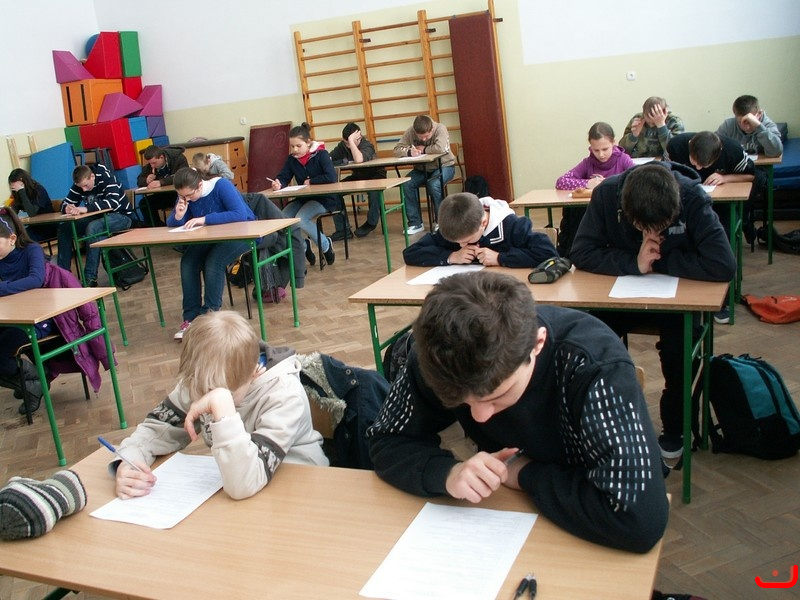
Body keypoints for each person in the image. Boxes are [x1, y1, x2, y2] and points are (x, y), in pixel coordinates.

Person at [367, 271, 669, 553]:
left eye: (498, 396)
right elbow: (385, 439)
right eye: (461, 401)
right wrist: (447, 473)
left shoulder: (592, 366)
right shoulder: (439, 355)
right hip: (506, 522)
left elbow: (638, 519)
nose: (480, 417)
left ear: (538, 344)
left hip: (582, 527)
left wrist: (523, 473)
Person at [570, 162, 736, 458]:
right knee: (590, 340)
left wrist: (659, 263)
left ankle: (675, 426)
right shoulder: (607, 195)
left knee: (679, 349)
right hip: (621, 298)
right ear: (626, 212)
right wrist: (634, 263)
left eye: (660, 228)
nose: (652, 234)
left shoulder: (692, 197)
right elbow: (582, 252)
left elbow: (723, 264)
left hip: (676, 300)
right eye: (642, 228)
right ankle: (603, 419)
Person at [110, 310, 328, 501]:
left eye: (220, 395)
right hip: (244, 489)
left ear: (253, 373)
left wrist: (224, 409)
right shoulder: (203, 379)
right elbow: (157, 430)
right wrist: (129, 461)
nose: (207, 398)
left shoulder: (284, 395)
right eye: (202, 391)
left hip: (301, 489)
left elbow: (245, 483)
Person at [166, 167, 256, 341]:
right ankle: (190, 318)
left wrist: (205, 219)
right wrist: (178, 215)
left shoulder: (221, 185)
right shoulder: (186, 194)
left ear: (200, 185)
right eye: (182, 196)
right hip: (211, 237)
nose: (186, 199)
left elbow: (240, 214)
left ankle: (209, 317)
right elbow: (174, 222)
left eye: (189, 195)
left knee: (214, 261)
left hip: (243, 233)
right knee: (188, 262)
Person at [667, 130, 763, 276]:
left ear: (719, 153)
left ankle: (718, 268)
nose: (698, 168)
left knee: (722, 230)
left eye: (704, 165)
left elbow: (753, 175)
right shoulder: (675, 146)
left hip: (721, 203)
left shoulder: (733, 150)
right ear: (689, 145)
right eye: (694, 162)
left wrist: (726, 178)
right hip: (686, 201)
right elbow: (664, 175)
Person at [402, 192, 556, 267]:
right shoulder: (455, 227)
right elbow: (411, 253)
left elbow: (548, 254)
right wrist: (451, 256)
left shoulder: (513, 226)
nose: (462, 245)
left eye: (467, 241)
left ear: (483, 223)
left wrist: (500, 258)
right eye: (458, 243)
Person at [0, 207, 53, 413]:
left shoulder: (32, 250)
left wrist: (3, 288)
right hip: (10, 317)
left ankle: (31, 386)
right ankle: (36, 379)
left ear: (12, 239)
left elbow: (35, 280)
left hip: (37, 319)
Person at [555, 122, 636, 256]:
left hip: (616, 213)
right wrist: (587, 183)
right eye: (596, 150)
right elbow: (561, 181)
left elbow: (636, 180)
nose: (601, 154)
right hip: (593, 214)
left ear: (614, 143)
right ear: (590, 147)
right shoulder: (588, 163)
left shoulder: (623, 160)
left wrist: (609, 184)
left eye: (605, 149)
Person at [56, 164, 133, 287]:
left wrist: (86, 209)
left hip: (121, 216)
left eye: (86, 186)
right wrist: (67, 208)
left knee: (93, 228)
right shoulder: (80, 183)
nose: (84, 190)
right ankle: (62, 276)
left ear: (92, 176)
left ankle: (90, 278)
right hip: (98, 217)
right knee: (65, 228)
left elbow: (113, 202)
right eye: (80, 187)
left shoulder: (106, 177)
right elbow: (65, 202)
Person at [273, 123, 338, 267]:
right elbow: (284, 176)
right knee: (282, 219)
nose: (295, 150)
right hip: (304, 198)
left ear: (308, 143)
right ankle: (303, 246)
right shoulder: (292, 159)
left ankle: (325, 245)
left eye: (298, 146)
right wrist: (278, 183)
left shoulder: (321, 155)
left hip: (324, 199)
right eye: (292, 146)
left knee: (301, 219)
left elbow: (331, 176)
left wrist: (312, 181)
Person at [393, 115, 456, 235]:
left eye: (426, 136)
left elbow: (440, 148)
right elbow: (396, 150)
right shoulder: (411, 131)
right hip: (422, 169)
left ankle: (442, 222)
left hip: (445, 166)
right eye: (420, 137)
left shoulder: (440, 129)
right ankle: (415, 223)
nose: (423, 139)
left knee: (434, 184)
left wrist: (423, 149)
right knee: (406, 183)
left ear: (432, 129)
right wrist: (409, 152)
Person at [328, 122, 387, 239]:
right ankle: (343, 230)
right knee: (334, 192)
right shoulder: (343, 146)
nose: (348, 146)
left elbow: (359, 159)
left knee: (374, 192)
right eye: (346, 143)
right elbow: (329, 159)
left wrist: (351, 141)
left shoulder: (367, 145)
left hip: (376, 176)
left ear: (358, 137)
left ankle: (371, 223)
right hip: (358, 177)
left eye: (350, 142)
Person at [136, 145, 189, 226]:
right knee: (144, 203)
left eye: (154, 163)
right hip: (164, 195)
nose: (152, 166)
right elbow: (139, 180)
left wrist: (161, 182)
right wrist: (146, 180)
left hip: (180, 194)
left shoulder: (178, 158)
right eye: (150, 163)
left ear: (161, 157)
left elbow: (182, 175)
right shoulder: (151, 165)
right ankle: (157, 227)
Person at [716, 94, 783, 157]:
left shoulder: (767, 125)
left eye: (749, 122)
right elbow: (714, 149)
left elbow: (776, 152)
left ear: (759, 114)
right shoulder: (728, 125)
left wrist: (758, 126)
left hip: (761, 165)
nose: (747, 128)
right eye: (741, 122)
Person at [619, 96, 684, 159]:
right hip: (639, 162)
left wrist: (661, 127)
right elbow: (622, 150)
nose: (651, 125)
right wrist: (633, 135)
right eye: (648, 122)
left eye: (654, 123)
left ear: (665, 113)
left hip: (664, 162)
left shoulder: (675, 122)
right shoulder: (638, 119)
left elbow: (675, 151)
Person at [7, 168, 57, 242]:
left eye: (16, 188)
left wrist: (21, 191)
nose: (15, 190)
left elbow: (32, 213)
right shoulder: (18, 192)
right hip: (34, 227)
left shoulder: (39, 190)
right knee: (11, 238)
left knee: (21, 240)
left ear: (22, 181)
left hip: (47, 227)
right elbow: (14, 211)